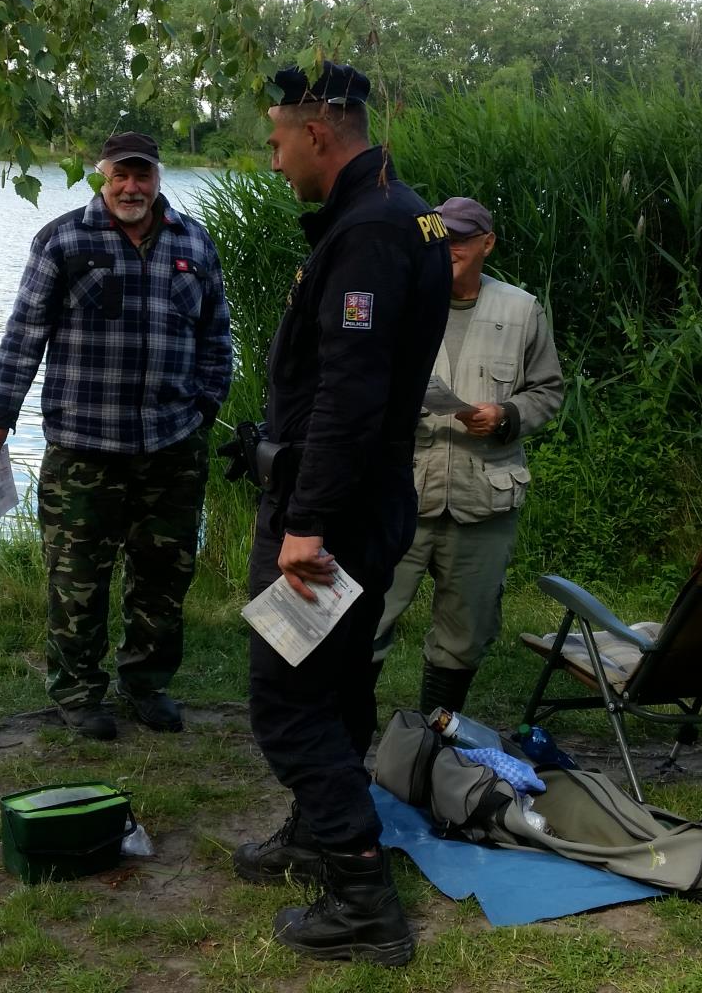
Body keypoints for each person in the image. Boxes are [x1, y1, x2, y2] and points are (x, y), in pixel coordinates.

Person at [231, 62, 451, 967]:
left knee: (284, 699)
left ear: (319, 130)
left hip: (335, 516)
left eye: (278, 140)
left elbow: (350, 398)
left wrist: (306, 525)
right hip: (373, 503)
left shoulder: (366, 233)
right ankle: (320, 835)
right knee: (341, 678)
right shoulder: (419, 214)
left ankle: (361, 892)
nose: (275, 160)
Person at [0, 131, 231, 740]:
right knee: (77, 579)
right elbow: (24, 334)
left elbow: (217, 338)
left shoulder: (194, 242)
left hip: (172, 446)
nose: (131, 187)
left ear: (158, 179)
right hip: (84, 448)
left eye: (142, 176)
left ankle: (146, 685)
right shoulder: (62, 240)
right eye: (120, 175)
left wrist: (204, 406)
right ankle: (78, 692)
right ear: (103, 176)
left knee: (164, 578)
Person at [372, 195, 564, 714]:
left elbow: (548, 390)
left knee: (466, 631)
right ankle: (348, 737)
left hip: (484, 499)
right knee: (367, 615)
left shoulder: (521, 309)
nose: (449, 246)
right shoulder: (400, 301)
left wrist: (505, 417)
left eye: (460, 238)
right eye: (441, 235)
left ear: (487, 243)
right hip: (401, 495)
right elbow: (359, 383)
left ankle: (438, 739)